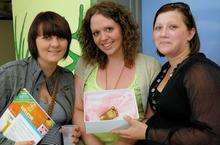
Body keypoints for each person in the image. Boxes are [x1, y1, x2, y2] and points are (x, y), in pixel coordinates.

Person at [112, 2, 220, 145]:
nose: (163, 34)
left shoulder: (200, 71)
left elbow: (211, 137)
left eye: (172, 27)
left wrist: (147, 133)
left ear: (190, 33)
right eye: (158, 28)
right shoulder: (166, 68)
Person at [73, 1, 161, 145]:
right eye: (96, 33)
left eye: (109, 29)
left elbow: (152, 117)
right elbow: (77, 110)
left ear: (123, 28)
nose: (103, 38)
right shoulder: (85, 64)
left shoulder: (150, 66)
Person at [0, 11, 75, 145]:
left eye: (61, 38)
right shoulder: (11, 73)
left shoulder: (67, 78)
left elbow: (68, 125)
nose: (55, 44)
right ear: (34, 41)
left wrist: (74, 135)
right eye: (47, 37)